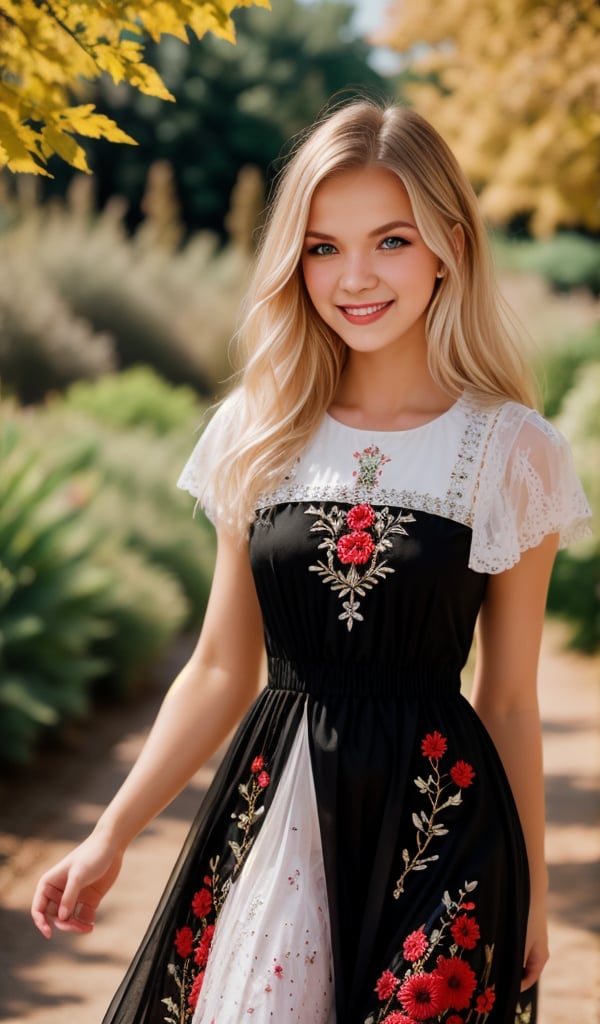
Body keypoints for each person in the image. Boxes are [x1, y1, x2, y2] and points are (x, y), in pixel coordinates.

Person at [32, 98, 591, 1024]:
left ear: (449, 243)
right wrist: (109, 833)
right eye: (323, 247)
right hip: (278, 823)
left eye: (391, 241)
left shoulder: (512, 451)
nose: (354, 277)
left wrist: (528, 881)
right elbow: (219, 667)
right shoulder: (257, 430)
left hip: (443, 834)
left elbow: (509, 699)